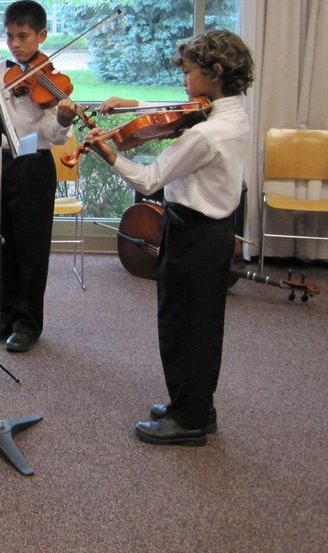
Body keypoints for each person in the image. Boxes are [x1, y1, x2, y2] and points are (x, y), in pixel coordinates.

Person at [88, 28, 254, 446]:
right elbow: (181, 110)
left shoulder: (206, 134)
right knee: (201, 325)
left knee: (183, 326)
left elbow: (150, 180)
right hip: (214, 232)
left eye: (190, 71)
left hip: (194, 234)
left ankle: (189, 419)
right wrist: (135, 105)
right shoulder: (230, 111)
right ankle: (196, 405)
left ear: (215, 72)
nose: (184, 80)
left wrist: (108, 154)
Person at [0, 0, 75, 352]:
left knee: (31, 246)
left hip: (34, 165)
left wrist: (65, 119)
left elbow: (55, 135)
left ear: (41, 35)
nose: (15, 44)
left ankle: (28, 323)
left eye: (23, 36)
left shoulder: (52, 82)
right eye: (10, 36)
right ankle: (4, 314)